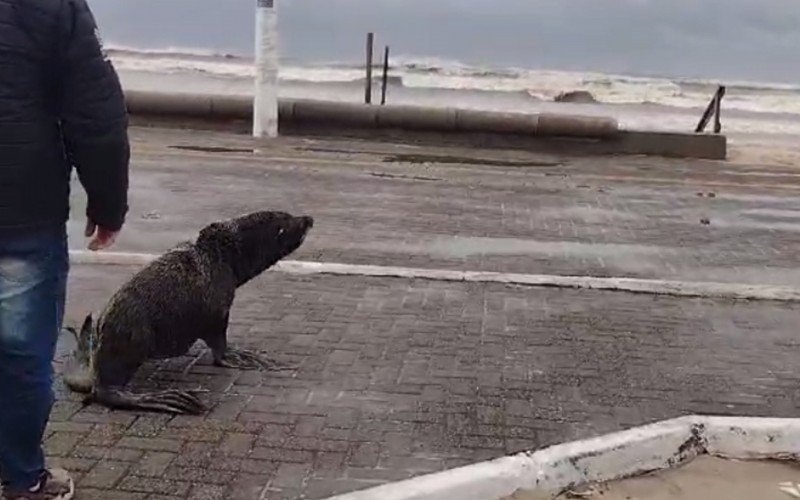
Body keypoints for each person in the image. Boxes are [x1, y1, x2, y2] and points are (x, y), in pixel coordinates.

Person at [0, 0, 129, 497]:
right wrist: (108, 204)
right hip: (21, 210)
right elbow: (97, 115)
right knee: (20, 354)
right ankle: (21, 478)